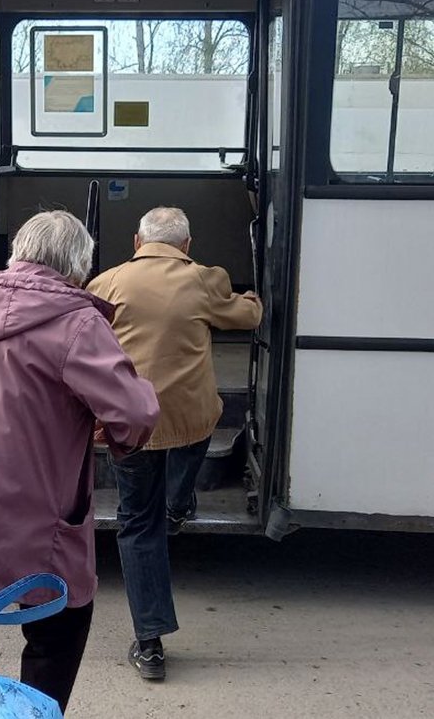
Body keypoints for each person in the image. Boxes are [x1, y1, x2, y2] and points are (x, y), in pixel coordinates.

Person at [0, 210, 159, 712]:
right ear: (79, 270)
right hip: (39, 537)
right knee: (56, 639)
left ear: (17, 254)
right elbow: (135, 415)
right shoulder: (77, 322)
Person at [86, 206, 263, 681]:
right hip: (191, 420)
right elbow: (245, 316)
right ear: (187, 245)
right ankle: (180, 505)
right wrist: (252, 298)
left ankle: (150, 644)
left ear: (137, 241)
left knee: (138, 524)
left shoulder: (107, 283)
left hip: (132, 423)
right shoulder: (204, 279)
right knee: (193, 442)